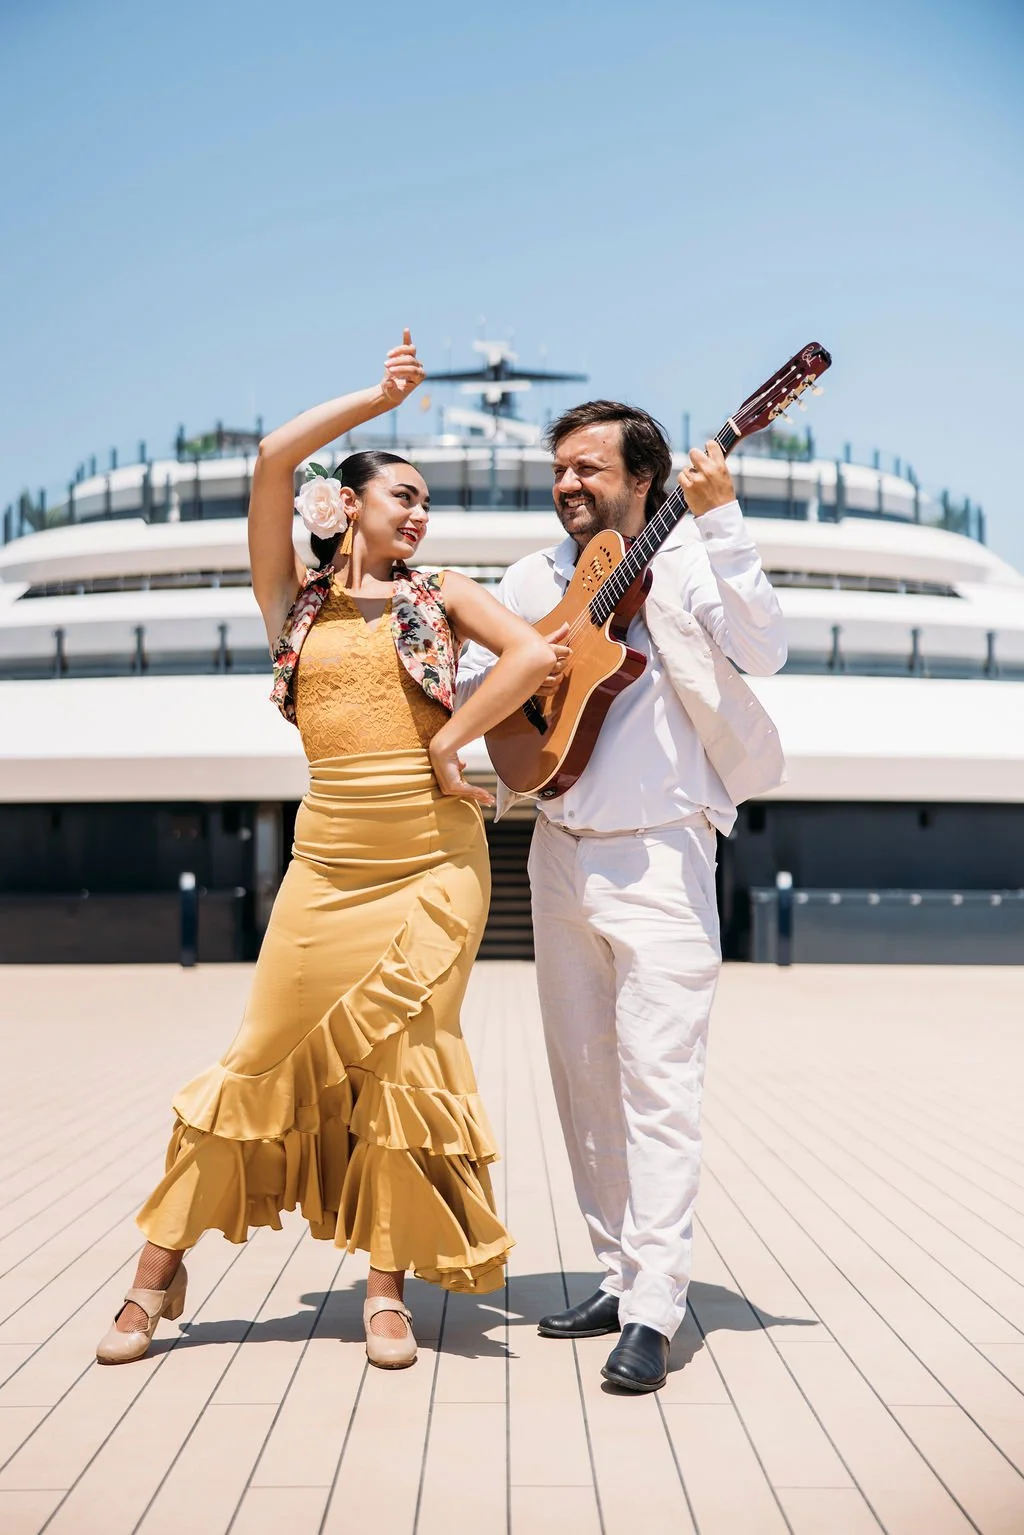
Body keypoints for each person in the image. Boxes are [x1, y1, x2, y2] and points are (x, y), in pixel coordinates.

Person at [96, 332, 555, 1371]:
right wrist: (378, 398)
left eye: (427, 499)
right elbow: (271, 460)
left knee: (404, 1063)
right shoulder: (291, 602)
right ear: (349, 502)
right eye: (403, 492)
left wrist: (448, 739)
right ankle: (154, 1274)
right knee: (258, 1052)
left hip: (435, 863)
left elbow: (529, 652)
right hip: (328, 862)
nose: (420, 510)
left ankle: (384, 1291)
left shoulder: (443, 593)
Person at [457, 400, 786, 1391]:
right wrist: (528, 675)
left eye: (588, 467)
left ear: (642, 479)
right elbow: (481, 681)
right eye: (558, 467)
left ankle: (654, 1306)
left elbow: (765, 649)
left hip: (661, 855)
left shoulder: (685, 557)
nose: (567, 482)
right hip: (555, 848)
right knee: (583, 1083)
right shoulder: (529, 579)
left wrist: (723, 520)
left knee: (659, 1084)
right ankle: (615, 1269)